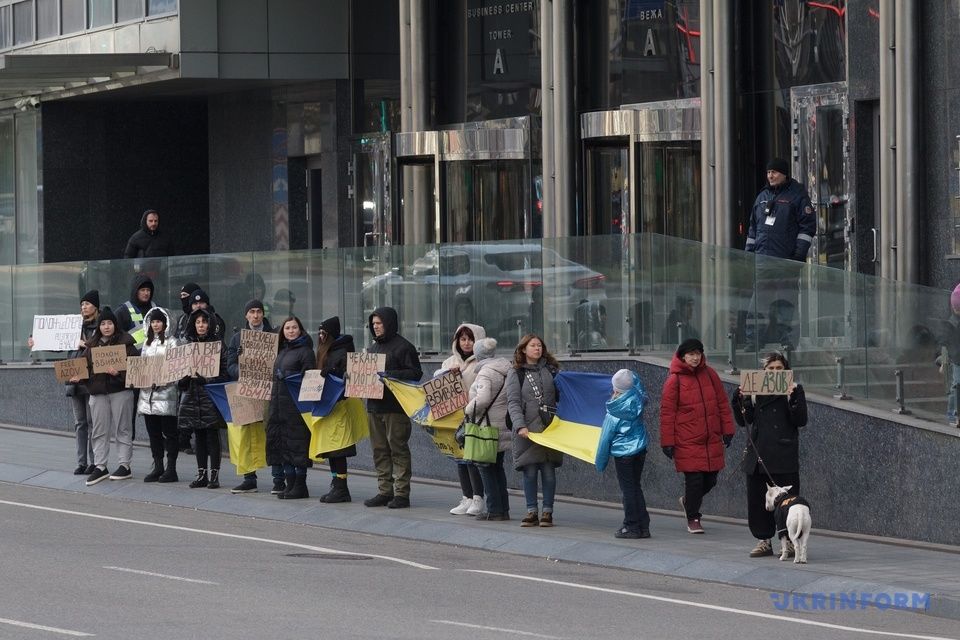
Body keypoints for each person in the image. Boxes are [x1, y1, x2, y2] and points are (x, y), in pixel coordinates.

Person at [731, 352, 807, 557]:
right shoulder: (755, 390)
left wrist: (793, 398)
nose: (774, 372)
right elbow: (744, 420)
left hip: (783, 453)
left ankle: (790, 541)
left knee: (788, 501)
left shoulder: (794, 389)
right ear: (764, 371)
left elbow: (801, 420)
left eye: (779, 369)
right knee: (758, 501)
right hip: (759, 453)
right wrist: (739, 400)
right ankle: (763, 539)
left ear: (786, 370)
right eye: (770, 369)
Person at [659, 338, 735, 534]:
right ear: (683, 356)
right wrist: (667, 442)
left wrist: (728, 429)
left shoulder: (710, 374)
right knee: (694, 481)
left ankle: (688, 502)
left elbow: (722, 404)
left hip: (711, 438)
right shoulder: (674, 380)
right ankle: (693, 517)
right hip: (687, 440)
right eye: (691, 354)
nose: (695, 358)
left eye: (698, 354)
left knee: (711, 480)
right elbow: (667, 413)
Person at [744, 158, 816, 346]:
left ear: (784, 174)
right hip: (762, 262)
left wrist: (798, 256)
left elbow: (807, 228)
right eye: (768, 172)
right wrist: (748, 255)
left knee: (786, 302)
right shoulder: (762, 197)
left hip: (786, 262)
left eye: (774, 172)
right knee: (758, 303)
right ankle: (753, 340)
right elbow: (752, 230)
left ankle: (788, 342)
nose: (770, 176)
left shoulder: (797, 195)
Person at [363, 306, 423, 509]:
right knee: (379, 450)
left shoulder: (404, 347)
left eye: (379, 323)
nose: (375, 327)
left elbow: (416, 373)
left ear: (388, 323)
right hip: (374, 406)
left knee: (398, 449)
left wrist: (392, 374)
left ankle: (402, 493)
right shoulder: (372, 348)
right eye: (373, 324)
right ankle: (384, 491)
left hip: (395, 408)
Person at [506, 333, 563, 528]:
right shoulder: (516, 372)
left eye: (539, 345)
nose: (537, 349)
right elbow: (513, 402)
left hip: (549, 429)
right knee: (529, 472)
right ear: (523, 349)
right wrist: (520, 425)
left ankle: (547, 512)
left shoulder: (551, 370)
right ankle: (531, 511)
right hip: (527, 431)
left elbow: (563, 395)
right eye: (533, 345)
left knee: (548, 472)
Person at [79, 307, 139, 485]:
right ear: (99, 326)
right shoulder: (91, 346)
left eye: (110, 323)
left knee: (123, 428)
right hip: (98, 393)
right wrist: (78, 377)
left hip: (120, 392)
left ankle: (124, 465)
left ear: (115, 325)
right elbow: (84, 367)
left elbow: (136, 369)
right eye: (103, 323)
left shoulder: (127, 344)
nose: (106, 327)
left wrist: (119, 374)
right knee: (99, 430)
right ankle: (100, 466)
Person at [595, 369, 650, 539]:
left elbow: (605, 440)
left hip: (623, 455)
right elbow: (638, 385)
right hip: (640, 449)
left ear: (615, 389)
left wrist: (600, 463)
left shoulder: (613, 412)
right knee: (635, 486)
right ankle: (643, 526)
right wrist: (630, 376)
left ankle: (631, 525)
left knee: (628, 490)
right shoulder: (639, 399)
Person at [177, 308, 229, 489]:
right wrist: (183, 380)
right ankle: (202, 475)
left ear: (210, 324)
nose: (201, 325)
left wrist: (206, 380)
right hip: (193, 397)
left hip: (210, 397)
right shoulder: (187, 345)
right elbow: (178, 376)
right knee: (198, 437)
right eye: (198, 322)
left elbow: (224, 374)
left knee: (212, 436)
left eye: (204, 322)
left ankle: (214, 475)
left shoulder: (218, 345)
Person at [226, 299, 274, 493]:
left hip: (268, 390)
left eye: (258, 311)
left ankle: (279, 479)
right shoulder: (237, 339)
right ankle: (249, 478)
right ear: (246, 315)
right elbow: (230, 366)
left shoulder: (273, 336)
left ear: (263, 314)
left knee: (271, 432)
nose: (255, 315)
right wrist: (243, 370)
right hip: (246, 391)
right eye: (252, 311)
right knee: (246, 435)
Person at [438, 323, 486, 517]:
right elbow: (437, 383)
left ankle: (478, 498)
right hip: (455, 418)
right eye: (463, 339)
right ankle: (466, 497)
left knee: (473, 459)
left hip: (475, 416)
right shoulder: (449, 362)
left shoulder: (482, 363)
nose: (466, 343)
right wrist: (446, 374)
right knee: (460, 459)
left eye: (471, 339)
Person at [266, 316, 316, 499]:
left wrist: (288, 375)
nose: (291, 331)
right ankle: (290, 483)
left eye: (294, 327)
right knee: (283, 447)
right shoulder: (282, 351)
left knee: (298, 446)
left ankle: (300, 486)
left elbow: (309, 377)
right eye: (287, 328)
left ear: (300, 329)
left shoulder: (306, 352)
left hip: (296, 408)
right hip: (278, 407)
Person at [464, 338, 512, 521]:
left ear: (478, 355)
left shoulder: (485, 372)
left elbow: (482, 399)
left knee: (485, 467)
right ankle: (503, 509)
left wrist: (468, 409)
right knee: (498, 468)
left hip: (487, 428)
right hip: (502, 426)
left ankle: (494, 510)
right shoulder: (506, 369)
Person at [314, 316, 358, 503]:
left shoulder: (344, 350)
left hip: (339, 404)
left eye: (323, 333)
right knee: (331, 449)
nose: (320, 336)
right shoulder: (326, 349)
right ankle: (336, 484)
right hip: (326, 404)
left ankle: (341, 487)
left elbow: (350, 375)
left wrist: (333, 371)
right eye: (319, 333)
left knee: (338, 449)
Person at [137, 308, 181, 483]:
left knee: (170, 434)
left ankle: (172, 468)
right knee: (153, 434)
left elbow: (177, 368)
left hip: (166, 396)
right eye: (153, 322)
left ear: (165, 323)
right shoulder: (146, 343)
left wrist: (164, 381)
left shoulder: (173, 342)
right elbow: (141, 366)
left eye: (159, 321)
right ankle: (158, 466)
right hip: (147, 396)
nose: (155, 325)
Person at [936, 283, 960, 424]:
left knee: (956, 386)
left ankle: (953, 412)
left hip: (955, 357)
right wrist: (943, 361)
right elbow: (945, 342)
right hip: (957, 359)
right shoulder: (952, 323)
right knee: (956, 386)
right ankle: (953, 413)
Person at [115, 273, 158, 350]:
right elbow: (117, 336)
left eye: (148, 290)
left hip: (156, 354)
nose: (146, 293)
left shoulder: (157, 309)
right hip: (133, 355)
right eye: (142, 290)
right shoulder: (123, 311)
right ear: (136, 291)